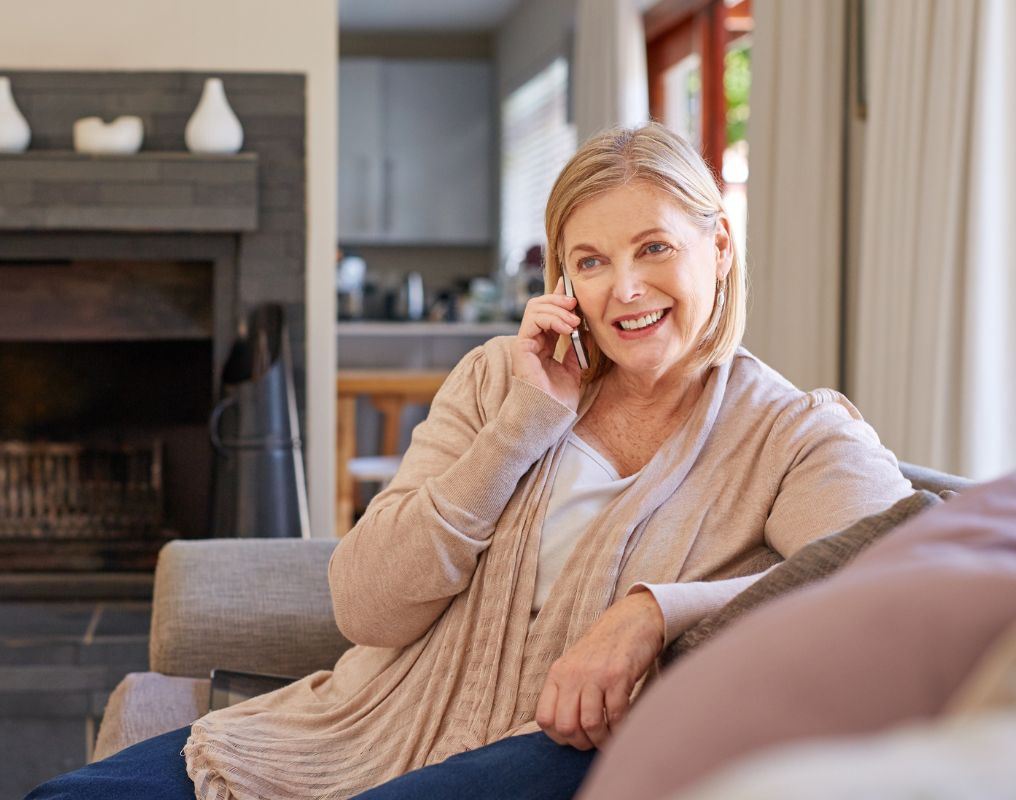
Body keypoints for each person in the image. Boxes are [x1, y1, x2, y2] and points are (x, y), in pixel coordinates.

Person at [28, 122, 911, 800]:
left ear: (718, 248)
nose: (625, 290)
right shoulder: (499, 381)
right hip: (364, 724)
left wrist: (652, 612)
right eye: (591, 261)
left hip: (558, 758)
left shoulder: (790, 433)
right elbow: (364, 605)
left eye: (655, 248)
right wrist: (523, 424)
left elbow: (899, 570)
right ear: (563, 282)